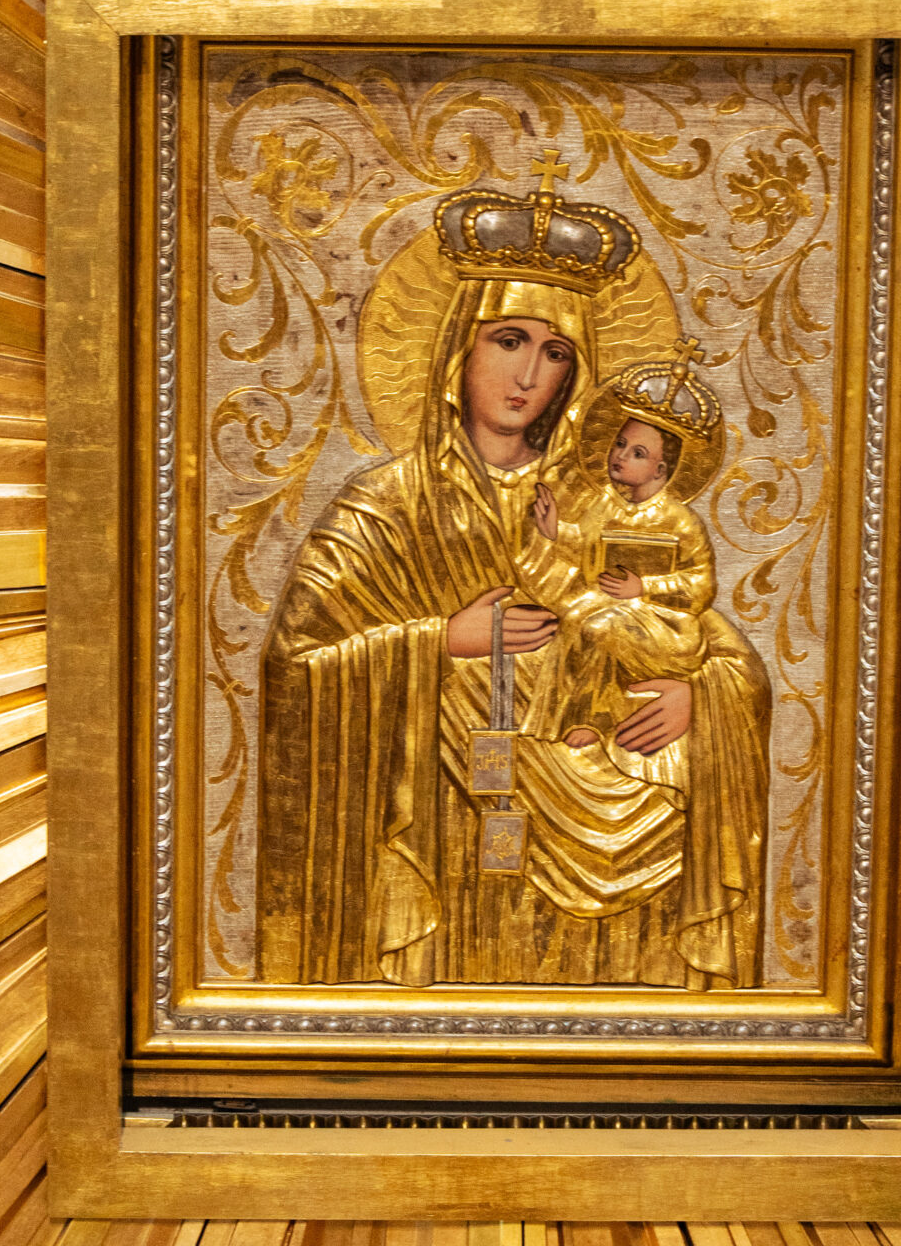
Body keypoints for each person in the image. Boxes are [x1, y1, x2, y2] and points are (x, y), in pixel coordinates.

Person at [255, 175, 769, 989]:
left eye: (556, 353)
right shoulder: (386, 505)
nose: (528, 373)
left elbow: (714, 642)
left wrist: (698, 698)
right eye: (508, 340)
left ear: (575, 375)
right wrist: (439, 642)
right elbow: (295, 668)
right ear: (458, 347)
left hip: (603, 803)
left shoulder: (601, 504)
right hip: (442, 832)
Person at [521, 379, 720, 790]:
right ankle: (552, 720)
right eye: (620, 444)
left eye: (637, 453)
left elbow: (701, 585)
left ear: (660, 470)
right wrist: (557, 531)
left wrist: (644, 587)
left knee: (601, 628)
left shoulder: (680, 521)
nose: (620, 456)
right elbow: (589, 546)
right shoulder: (606, 506)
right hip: (612, 605)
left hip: (668, 626)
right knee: (573, 617)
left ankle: (593, 721)